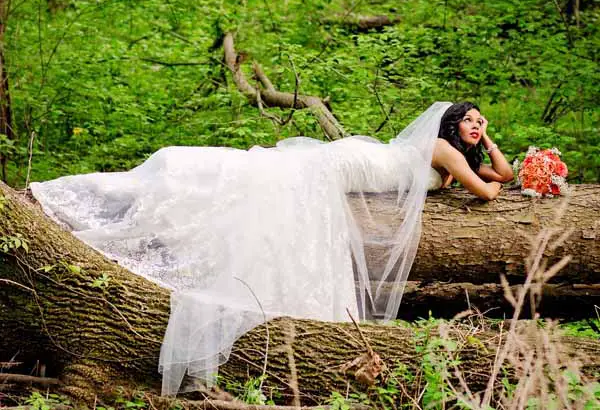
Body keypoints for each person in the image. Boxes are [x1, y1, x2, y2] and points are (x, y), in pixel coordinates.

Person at [29, 101, 512, 396]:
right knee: (263, 194)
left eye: (480, 121)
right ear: (449, 125)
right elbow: (490, 192)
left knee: (256, 191)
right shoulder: (441, 150)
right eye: (469, 121)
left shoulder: (450, 155)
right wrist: (482, 143)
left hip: (356, 166)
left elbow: (502, 175)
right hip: (350, 165)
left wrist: (487, 140)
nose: (475, 125)